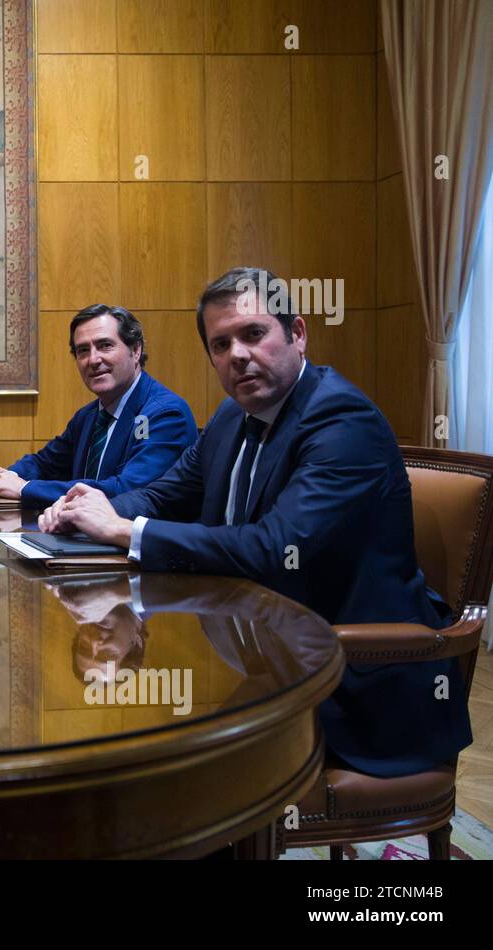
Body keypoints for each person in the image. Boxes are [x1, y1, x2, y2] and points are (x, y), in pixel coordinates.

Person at [39, 267, 473, 777]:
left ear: (298, 334)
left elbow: (276, 546)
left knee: (177, 774)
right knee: (138, 747)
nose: (238, 355)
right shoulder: (230, 417)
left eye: (253, 334)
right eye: (221, 345)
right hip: (263, 654)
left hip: (353, 682)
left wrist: (122, 530)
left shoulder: (341, 421)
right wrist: (88, 509)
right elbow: (166, 493)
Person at [0, 304, 196, 509]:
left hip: (137, 545)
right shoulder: (89, 416)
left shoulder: (163, 414)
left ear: (136, 350)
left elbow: (129, 490)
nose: (93, 359)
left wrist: (26, 488)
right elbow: (45, 463)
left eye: (105, 345)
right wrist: (7, 475)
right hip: (84, 537)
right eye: (83, 350)